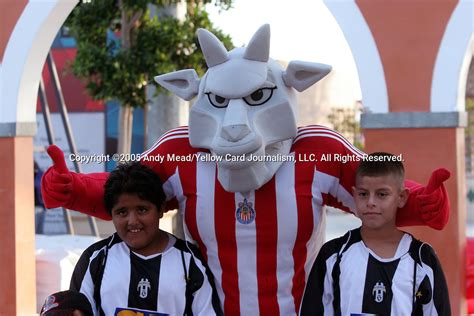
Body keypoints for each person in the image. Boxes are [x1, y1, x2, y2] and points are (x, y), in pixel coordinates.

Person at [41, 25, 451, 315]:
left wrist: (423, 202)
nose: (237, 125)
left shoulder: (315, 151)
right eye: (221, 103)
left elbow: (379, 190)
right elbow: (125, 195)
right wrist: (71, 187)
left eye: (256, 98)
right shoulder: (184, 152)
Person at [300, 152, 451, 315]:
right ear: (354, 194)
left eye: (381, 194)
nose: (371, 202)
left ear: (401, 197)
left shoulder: (422, 259)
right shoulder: (333, 255)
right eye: (363, 194)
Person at [69, 162, 221, 316]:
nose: (133, 221)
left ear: (161, 209)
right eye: (122, 212)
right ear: (111, 214)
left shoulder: (190, 261)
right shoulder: (95, 260)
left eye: (142, 209)